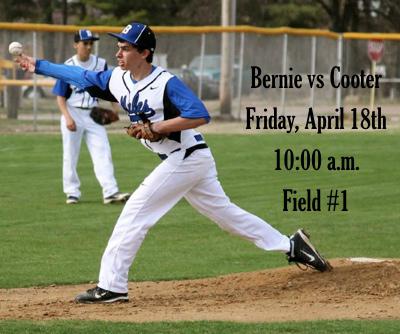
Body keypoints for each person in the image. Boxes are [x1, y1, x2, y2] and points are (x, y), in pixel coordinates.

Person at [15, 22, 331, 304]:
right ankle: (292, 245)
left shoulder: (166, 82)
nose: (119, 51)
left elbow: (200, 114)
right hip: (192, 161)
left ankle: (112, 286)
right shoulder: (118, 79)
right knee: (227, 216)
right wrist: (38, 65)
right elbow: (79, 75)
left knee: (134, 212)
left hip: (186, 158)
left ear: (145, 52)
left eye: (126, 47)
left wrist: (156, 128)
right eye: (119, 46)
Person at [53, 29, 130, 204]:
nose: (88, 47)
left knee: (103, 151)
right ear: (75, 45)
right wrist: (67, 118)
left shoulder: (100, 64)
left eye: (90, 43)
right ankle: (72, 192)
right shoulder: (68, 65)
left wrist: (115, 109)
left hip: (93, 114)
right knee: (70, 155)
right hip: (72, 111)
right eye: (85, 43)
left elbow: (109, 89)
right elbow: (60, 96)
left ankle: (110, 192)